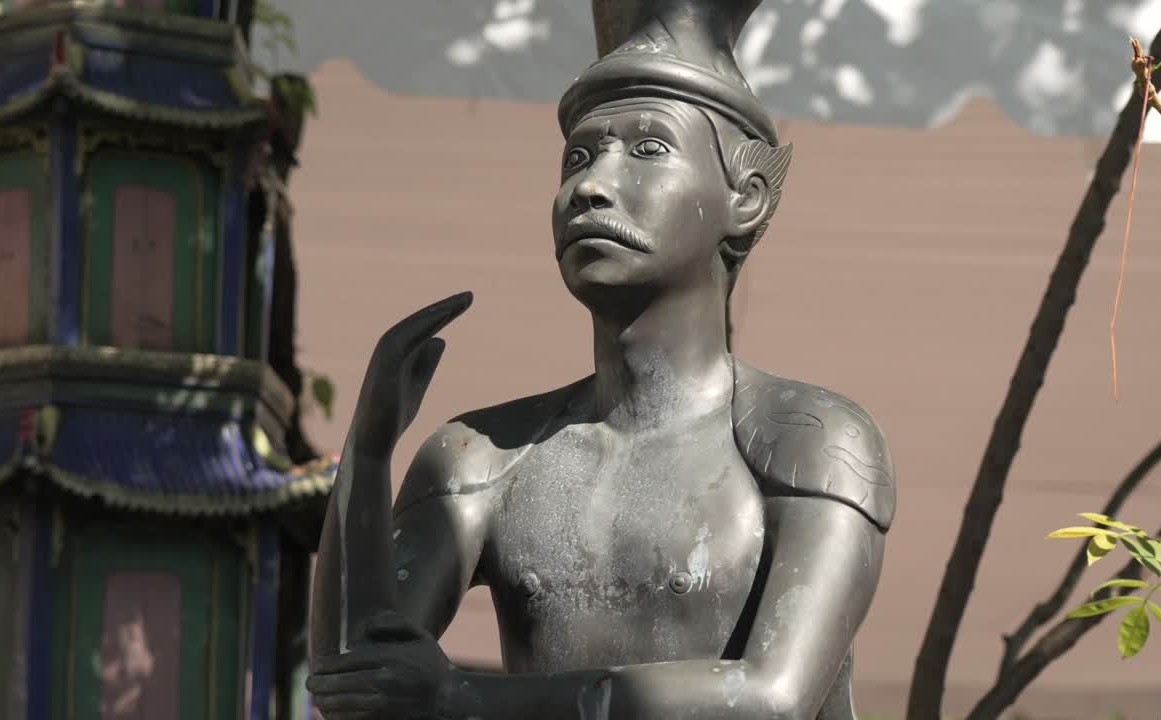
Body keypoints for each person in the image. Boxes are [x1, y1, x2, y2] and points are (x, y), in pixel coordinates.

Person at [307, 1, 895, 717]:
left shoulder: (811, 438)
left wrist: (457, 696)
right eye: (578, 158)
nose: (589, 186)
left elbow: (772, 700)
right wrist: (367, 461)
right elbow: (357, 683)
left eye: (649, 149)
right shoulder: (481, 460)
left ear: (746, 197)